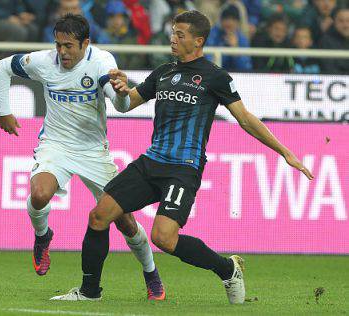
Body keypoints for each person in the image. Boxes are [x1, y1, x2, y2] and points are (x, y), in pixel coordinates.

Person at [51, 10, 314, 303]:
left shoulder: (215, 77)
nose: (173, 39)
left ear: (198, 41)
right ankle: (89, 292)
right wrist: (122, 89)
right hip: (151, 162)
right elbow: (127, 104)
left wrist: (285, 152)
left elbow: (245, 119)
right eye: (173, 32)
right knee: (99, 215)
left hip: (183, 169)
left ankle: (228, 269)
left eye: (180, 34)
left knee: (163, 238)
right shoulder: (163, 72)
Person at [0, 13, 165, 300]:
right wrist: (4, 111)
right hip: (56, 145)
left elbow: (121, 106)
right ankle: (43, 236)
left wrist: (123, 93)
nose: (62, 52)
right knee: (39, 195)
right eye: (58, 45)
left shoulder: (101, 61)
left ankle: (151, 273)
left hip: (93, 151)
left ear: (86, 43)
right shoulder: (44, 62)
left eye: (69, 46)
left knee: (125, 222)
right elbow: (2, 68)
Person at [319, 7, 349, 75]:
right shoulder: (325, 41)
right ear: (334, 22)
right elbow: (329, 69)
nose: (346, 25)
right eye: (341, 21)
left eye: (348, 21)